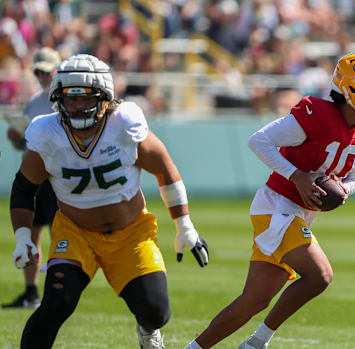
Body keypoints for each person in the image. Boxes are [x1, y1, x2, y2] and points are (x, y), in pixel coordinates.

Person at [186, 52, 355, 349]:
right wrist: (297, 175)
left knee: (254, 300)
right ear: (352, 88)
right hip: (277, 205)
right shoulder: (317, 114)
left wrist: (345, 191)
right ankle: (257, 343)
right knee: (320, 275)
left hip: (300, 213)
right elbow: (258, 140)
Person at [9, 54, 209, 349]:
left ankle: (147, 329)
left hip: (131, 232)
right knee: (55, 304)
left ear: (105, 98)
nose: (76, 106)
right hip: (76, 232)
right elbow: (24, 188)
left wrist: (184, 225)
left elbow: (165, 169)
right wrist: (23, 236)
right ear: (57, 99)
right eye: (70, 99)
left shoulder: (124, 123)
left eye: (85, 98)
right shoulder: (46, 132)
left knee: (155, 310)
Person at [3, 47, 61, 309]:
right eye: (38, 71)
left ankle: (59, 292)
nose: (41, 76)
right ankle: (31, 292)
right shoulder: (36, 101)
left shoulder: (64, 98)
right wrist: (17, 138)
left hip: (55, 176)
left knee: (60, 234)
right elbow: (29, 143)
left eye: (45, 71)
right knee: (31, 234)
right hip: (36, 175)